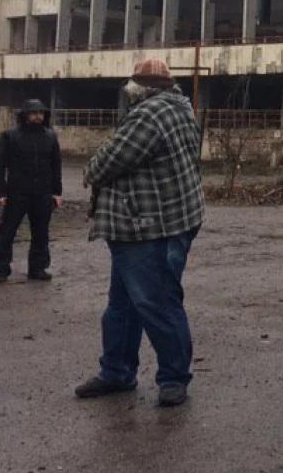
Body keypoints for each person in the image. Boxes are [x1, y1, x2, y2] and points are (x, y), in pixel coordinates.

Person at [74, 59, 205, 408]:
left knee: (155, 302)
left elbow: (105, 164)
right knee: (122, 305)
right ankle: (116, 371)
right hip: (154, 223)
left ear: (138, 87)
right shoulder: (181, 107)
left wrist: (90, 168)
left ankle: (173, 377)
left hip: (147, 226)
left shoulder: (149, 114)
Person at [0, 99, 63, 282]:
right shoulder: (10, 136)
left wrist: (57, 192)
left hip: (43, 192)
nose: (38, 116)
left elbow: (56, 166)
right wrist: (0, 192)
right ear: (25, 115)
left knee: (41, 232)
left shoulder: (50, 137)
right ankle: (0, 269)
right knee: (7, 231)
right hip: (17, 192)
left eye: (41, 113)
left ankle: (38, 268)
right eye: (34, 113)